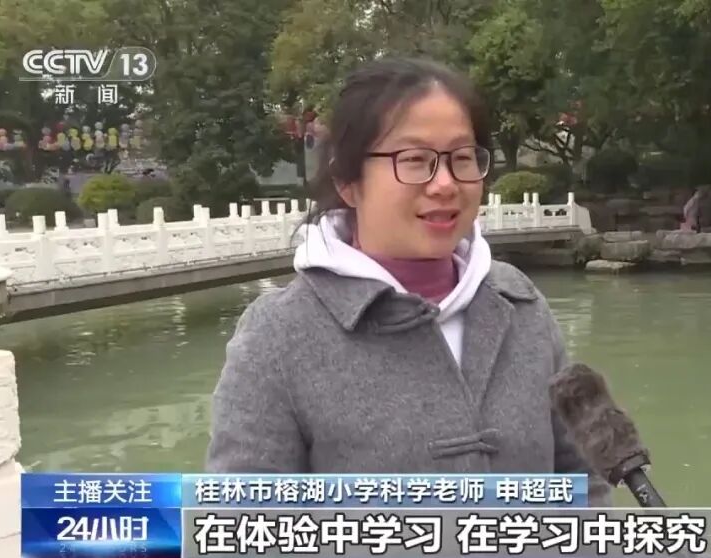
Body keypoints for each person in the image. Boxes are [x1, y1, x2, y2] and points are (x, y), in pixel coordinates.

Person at [205, 57, 611, 504]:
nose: (445, 184)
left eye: (462, 158)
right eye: (415, 160)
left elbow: (582, 483)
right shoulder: (279, 337)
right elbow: (243, 522)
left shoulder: (519, 304)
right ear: (347, 181)